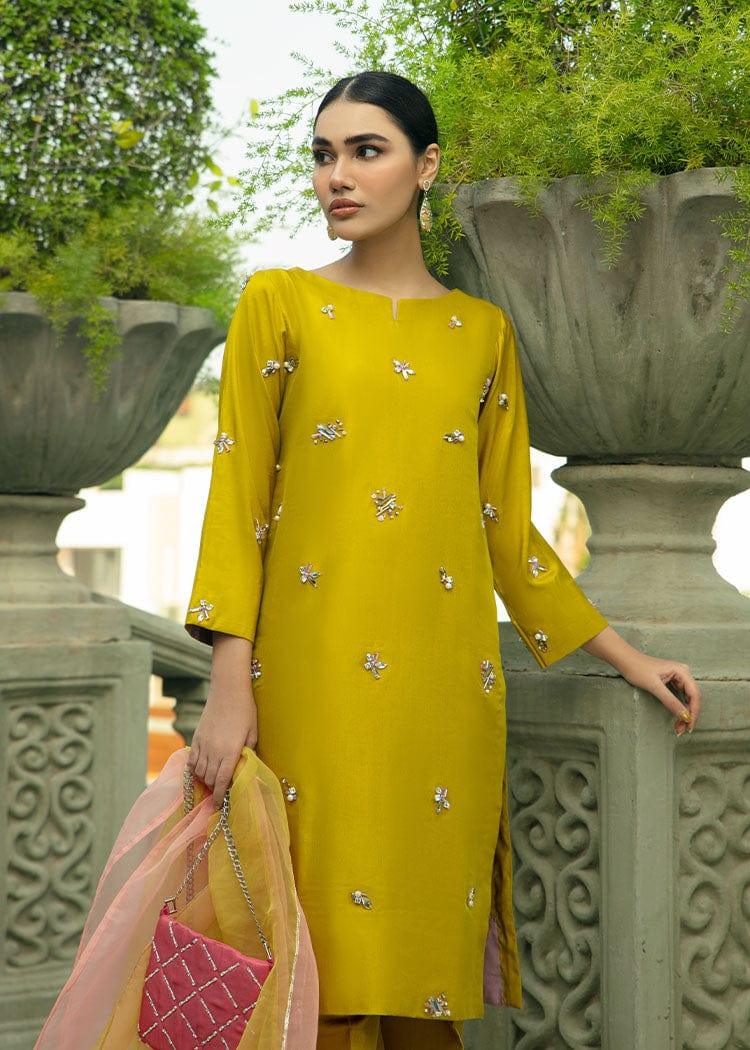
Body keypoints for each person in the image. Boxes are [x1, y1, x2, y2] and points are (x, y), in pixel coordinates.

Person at [183, 70, 702, 1050]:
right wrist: (226, 680)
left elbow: (507, 532)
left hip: (440, 695)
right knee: (309, 964)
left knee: (422, 972)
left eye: (366, 151)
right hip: (307, 688)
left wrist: (627, 658)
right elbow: (238, 500)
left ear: (426, 168)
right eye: (323, 155)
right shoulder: (278, 303)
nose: (338, 176)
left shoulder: (481, 335)